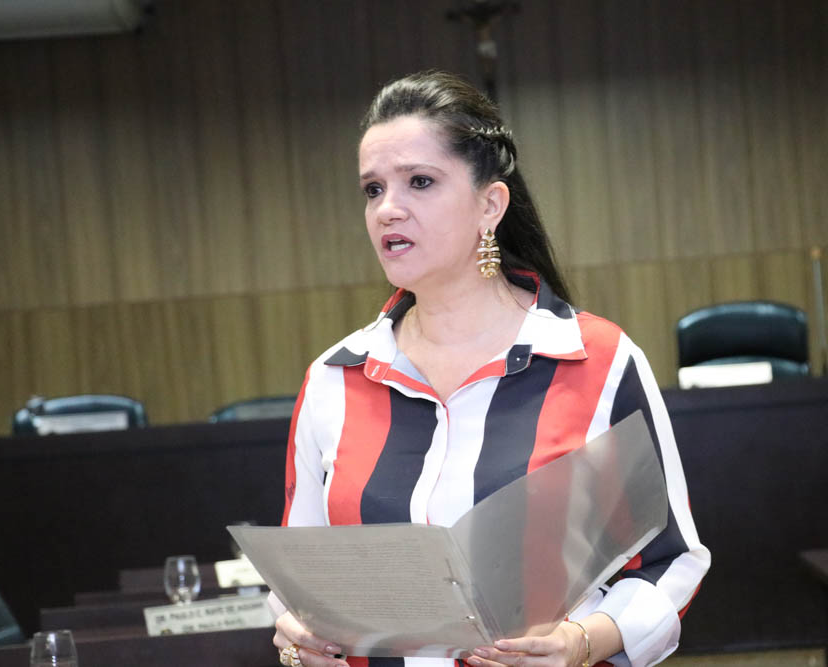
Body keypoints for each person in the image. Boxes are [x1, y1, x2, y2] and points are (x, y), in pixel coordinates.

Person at [271, 70, 709, 667]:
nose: (388, 209)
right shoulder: (334, 378)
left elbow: (670, 559)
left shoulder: (597, 359)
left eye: (420, 182)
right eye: (373, 189)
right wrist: (297, 635)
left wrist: (580, 643)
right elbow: (301, 574)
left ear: (490, 205)